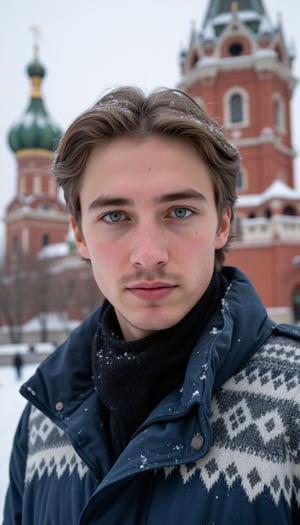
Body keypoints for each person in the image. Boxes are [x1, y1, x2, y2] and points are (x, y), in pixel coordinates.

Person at [3, 87, 300, 525]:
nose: (148, 254)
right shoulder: (44, 419)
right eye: (114, 216)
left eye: (179, 212)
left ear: (222, 223)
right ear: (80, 235)